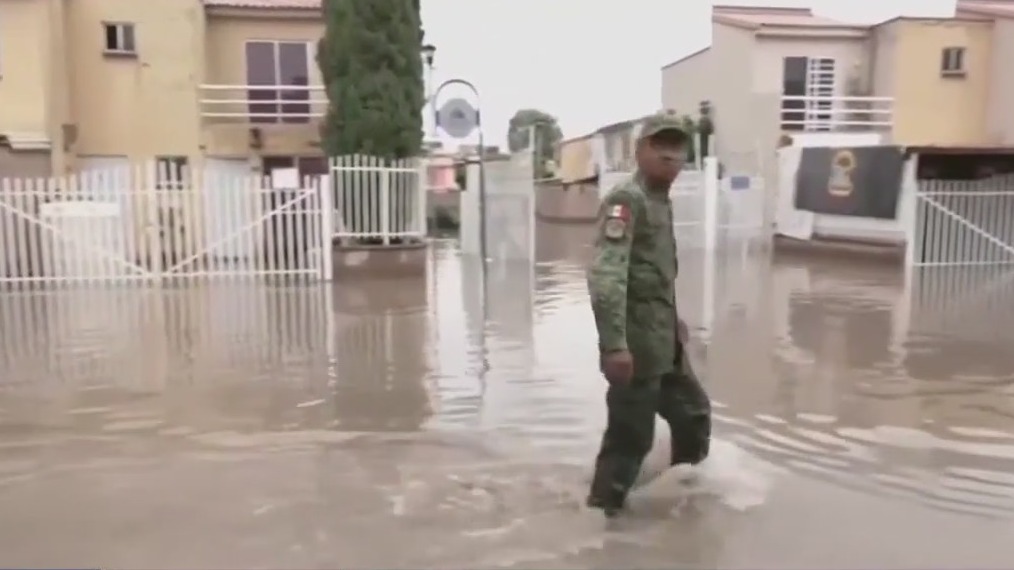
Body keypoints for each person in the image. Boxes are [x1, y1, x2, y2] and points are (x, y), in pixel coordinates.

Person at [585, 111, 712, 517]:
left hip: (665, 343)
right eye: (660, 146)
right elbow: (608, 277)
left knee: (693, 414)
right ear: (640, 151)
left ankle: (681, 498)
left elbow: (651, 274)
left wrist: (673, 318)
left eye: (677, 147)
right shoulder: (628, 201)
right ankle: (601, 521)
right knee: (629, 440)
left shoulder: (660, 201)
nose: (670, 156)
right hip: (637, 347)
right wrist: (614, 346)